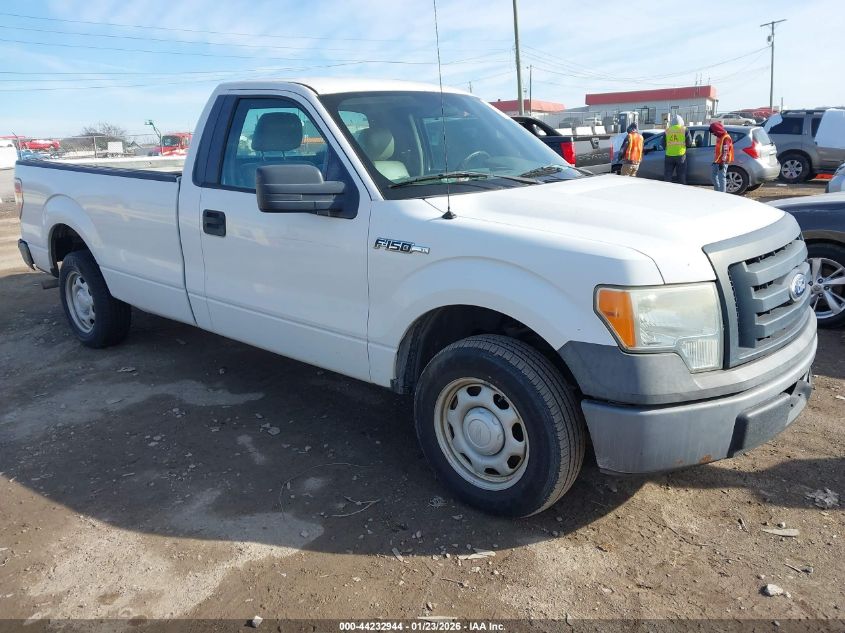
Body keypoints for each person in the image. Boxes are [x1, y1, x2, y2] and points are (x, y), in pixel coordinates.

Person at [663, 114, 693, 184]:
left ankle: (666, 190)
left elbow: (663, 144)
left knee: (668, 175)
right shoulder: (684, 129)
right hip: (681, 155)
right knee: (681, 175)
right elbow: (689, 143)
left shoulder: (667, 131)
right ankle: (681, 191)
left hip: (669, 155)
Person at [709, 121, 734, 193]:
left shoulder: (726, 137)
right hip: (717, 160)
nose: (713, 134)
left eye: (714, 132)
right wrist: (715, 161)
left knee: (721, 177)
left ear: (717, 130)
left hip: (723, 161)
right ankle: (717, 192)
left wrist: (722, 162)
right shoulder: (719, 136)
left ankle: (722, 194)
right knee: (713, 176)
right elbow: (718, 150)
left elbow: (725, 151)